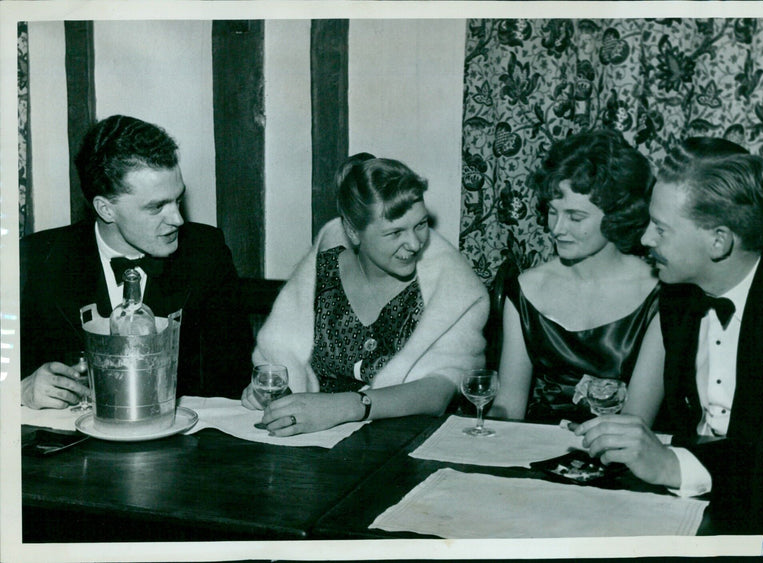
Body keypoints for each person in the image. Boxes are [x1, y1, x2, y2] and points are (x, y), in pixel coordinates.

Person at [574, 137, 763, 535]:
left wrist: (672, 465)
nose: (645, 239)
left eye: (661, 229)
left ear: (718, 241)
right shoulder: (676, 299)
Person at [242, 154, 489, 435]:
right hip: (313, 445)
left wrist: (347, 407)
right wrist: (270, 395)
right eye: (395, 232)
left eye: (420, 225)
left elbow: (440, 390)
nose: (415, 243)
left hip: (406, 445)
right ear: (352, 230)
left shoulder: (450, 288)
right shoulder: (320, 274)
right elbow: (282, 357)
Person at [21, 115, 253, 408]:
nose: (177, 219)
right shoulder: (37, 258)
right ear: (106, 209)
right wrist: (18, 389)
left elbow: (235, 378)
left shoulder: (206, 253)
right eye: (156, 207)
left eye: (177, 200)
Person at [490, 129, 664, 425]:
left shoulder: (659, 295)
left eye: (575, 217)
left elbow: (638, 421)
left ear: (617, 214)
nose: (557, 229)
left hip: (621, 456)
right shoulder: (525, 289)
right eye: (552, 212)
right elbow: (509, 405)